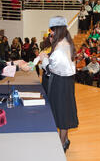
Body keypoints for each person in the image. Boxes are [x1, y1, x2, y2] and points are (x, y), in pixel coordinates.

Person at [40, 16, 78, 152]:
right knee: (64, 112)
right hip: (66, 83)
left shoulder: (61, 47)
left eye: (52, 30)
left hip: (60, 83)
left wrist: (44, 60)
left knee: (62, 114)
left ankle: (62, 143)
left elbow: (51, 69)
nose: (51, 33)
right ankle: (65, 139)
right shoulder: (66, 42)